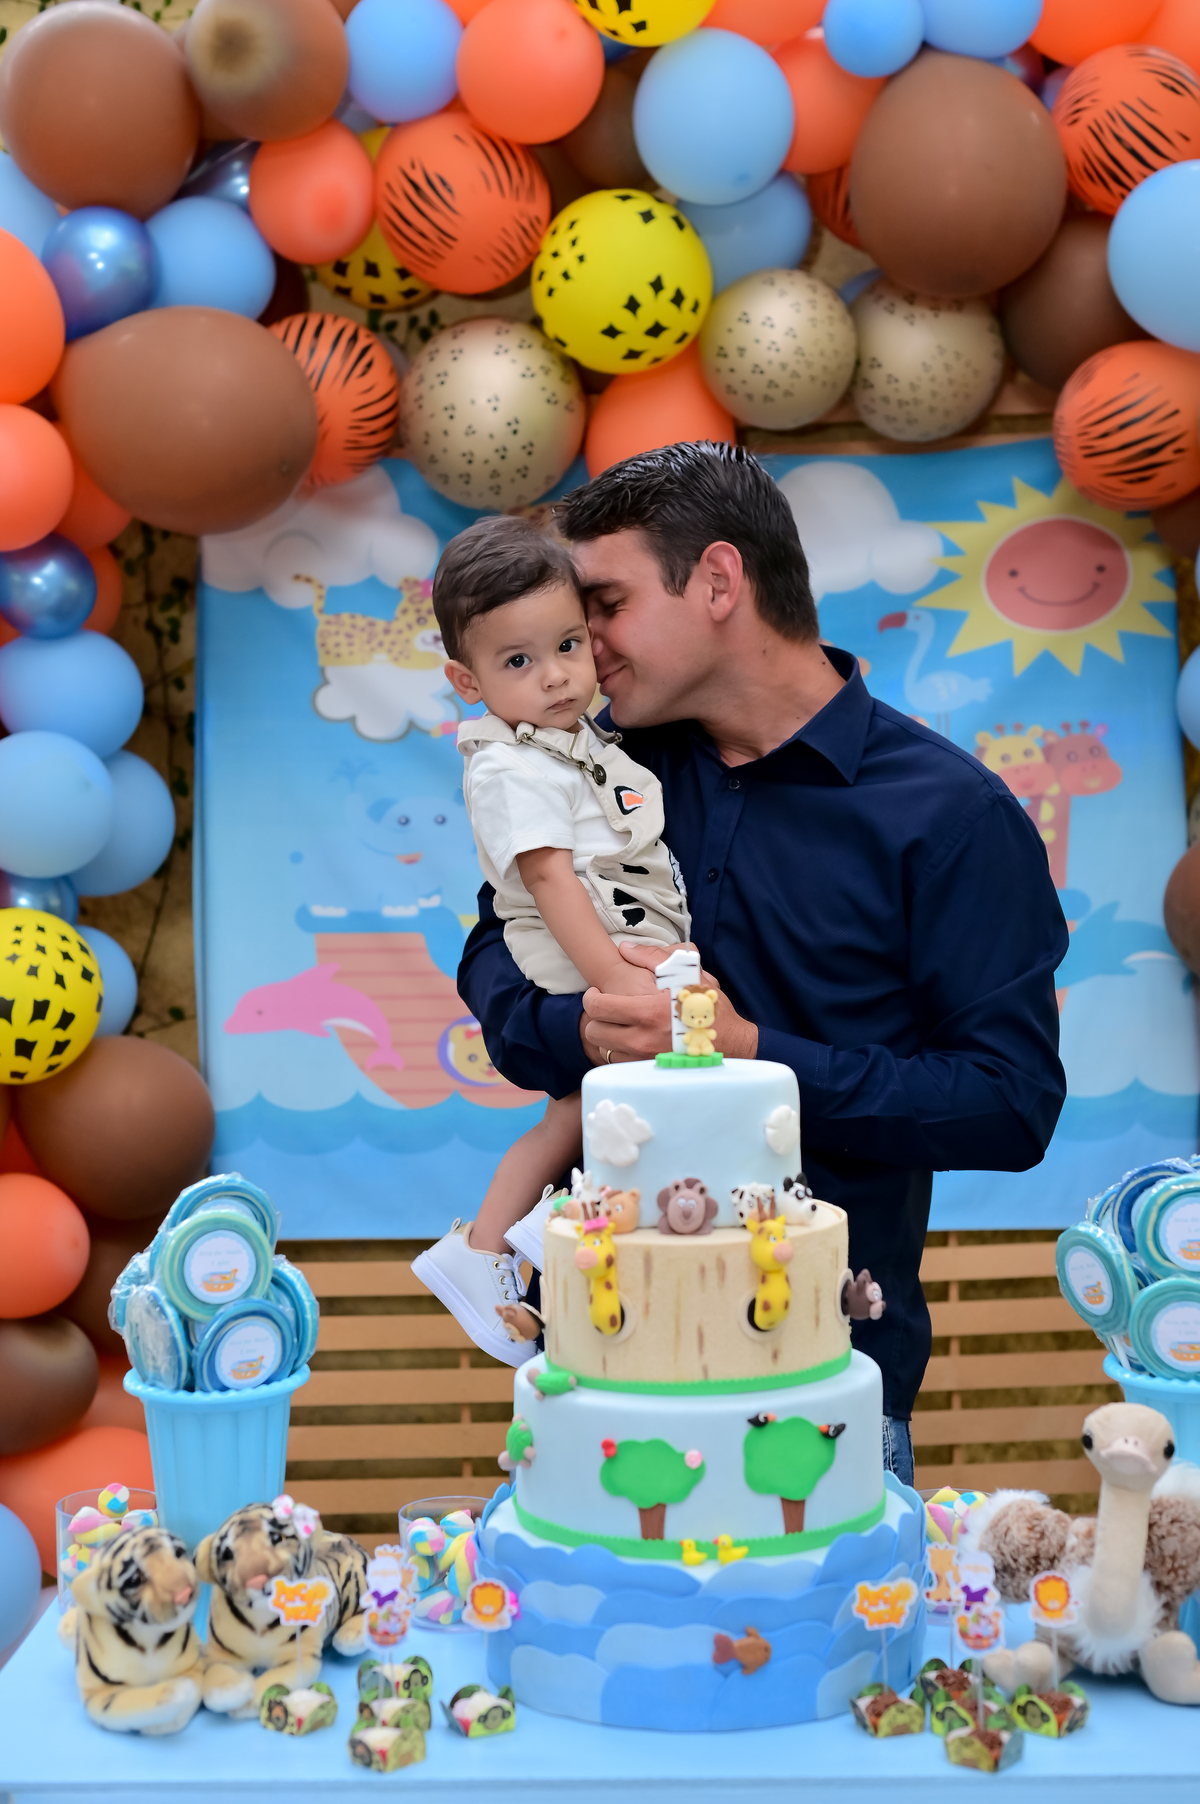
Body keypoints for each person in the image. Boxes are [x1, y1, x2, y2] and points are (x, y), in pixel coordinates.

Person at [447, 442, 1069, 1488]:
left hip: (825, 1392)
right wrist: (581, 1028)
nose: (582, 645)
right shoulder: (599, 765)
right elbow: (494, 953)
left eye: (605, 605)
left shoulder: (950, 816)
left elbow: (1009, 1105)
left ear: (719, 581)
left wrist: (751, 1057)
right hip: (594, 1379)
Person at [411, 516, 689, 1358]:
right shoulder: (510, 765)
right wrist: (614, 978)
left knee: (583, 1109)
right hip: (576, 946)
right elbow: (547, 881)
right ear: (466, 680)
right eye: (519, 662)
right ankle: (529, 1231)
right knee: (623, 1096)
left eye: (568, 645)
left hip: (608, 939)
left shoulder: (570, 741)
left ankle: (502, 1241)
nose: (558, 676)